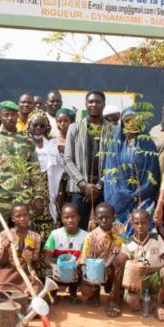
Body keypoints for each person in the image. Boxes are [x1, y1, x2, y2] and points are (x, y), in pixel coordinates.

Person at [0, 101, 47, 285]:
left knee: (26, 243)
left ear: (18, 116)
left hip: (23, 198)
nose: (10, 117)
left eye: (13, 114)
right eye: (6, 114)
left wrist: (38, 196)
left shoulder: (26, 141)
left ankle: (24, 284)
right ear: (1, 116)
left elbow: (35, 171)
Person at [103, 107, 160, 238]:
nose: (132, 123)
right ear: (122, 123)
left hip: (142, 199)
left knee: (142, 236)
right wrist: (123, 195)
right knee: (121, 240)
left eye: (135, 120)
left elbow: (152, 172)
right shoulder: (115, 144)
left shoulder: (148, 144)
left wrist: (137, 194)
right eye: (128, 120)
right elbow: (111, 174)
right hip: (120, 200)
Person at [64, 91, 114, 231]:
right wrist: (83, 184)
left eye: (98, 102)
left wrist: (100, 184)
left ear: (103, 105)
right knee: (77, 228)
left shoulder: (112, 131)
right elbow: (67, 159)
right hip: (79, 189)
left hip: (103, 189)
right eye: (90, 102)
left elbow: (114, 161)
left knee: (105, 228)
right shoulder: (74, 128)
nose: (94, 105)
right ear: (86, 104)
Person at [120, 209, 164, 321]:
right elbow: (124, 265)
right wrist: (130, 284)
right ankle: (145, 301)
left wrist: (151, 269)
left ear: (149, 223)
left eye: (143, 223)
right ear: (131, 224)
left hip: (154, 276)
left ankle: (158, 304)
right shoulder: (127, 242)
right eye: (136, 223)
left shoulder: (156, 238)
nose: (140, 226)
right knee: (133, 303)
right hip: (137, 280)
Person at [79, 203, 123, 309]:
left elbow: (118, 251)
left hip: (112, 269)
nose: (104, 220)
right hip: (97, 271)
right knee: (86, 290)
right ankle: (95, 293)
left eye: (107, 217)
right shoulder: (91, 236)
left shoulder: (120, 231)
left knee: (122, 259)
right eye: (101, 218)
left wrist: (106, 265)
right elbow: (84, 257)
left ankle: (114, 298)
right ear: (96, 219)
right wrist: (85, 274)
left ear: (114, 217)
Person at [43, 203, 88, 303]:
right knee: (48, 272)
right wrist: (53, 267)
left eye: (73, 217)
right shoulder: (55, 234)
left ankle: (73, 293)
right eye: (66, 217)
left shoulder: (86, 236)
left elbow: (82, 258)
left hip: (74, 270)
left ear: (79, 218)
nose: (70, 220)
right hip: (58, 270)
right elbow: (47, 258)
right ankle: (53, 293)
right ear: (62, 219)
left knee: (83, 269)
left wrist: (74, 267)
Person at [28, 110, 64, 229]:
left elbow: (61, 171)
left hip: (50, 189)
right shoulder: (24, 145)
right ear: (29, 125)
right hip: (29, 190)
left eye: (42, 125)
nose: (38, 128)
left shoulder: (53, 145)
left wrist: (60, 192)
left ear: (46, 127)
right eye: (35, 125)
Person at [0, 203, 42, 291]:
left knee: (37, 290)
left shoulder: (35, 236)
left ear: (29, 216)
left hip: (26, 272)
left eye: (25, 215)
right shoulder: (5, 234)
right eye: (18, 216)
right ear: (13, 219)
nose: (22, 218)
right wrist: (5, 249)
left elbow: (34, 260)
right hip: (8, 272)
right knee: (1, 293)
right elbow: (1, 263)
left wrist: (28, 251)